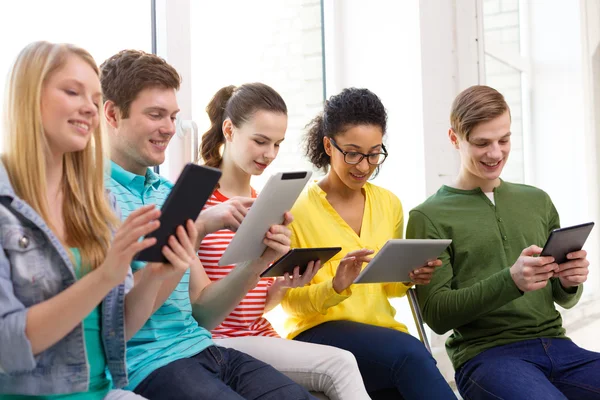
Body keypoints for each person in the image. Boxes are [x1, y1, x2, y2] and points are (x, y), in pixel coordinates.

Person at [100, 50, 316, 400]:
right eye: (156, 115)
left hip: (203, 348)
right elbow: (111, 325)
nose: (170, 128)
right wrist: (196, 230)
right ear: (111, 114)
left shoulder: (173, 194)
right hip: (146, 363)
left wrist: (258, 261)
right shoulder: (92, 198)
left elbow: (202, 315)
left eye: (173, 116)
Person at [0, 41, 196, 399]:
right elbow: (8, 345)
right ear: (29, 97)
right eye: (72, 91)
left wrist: (157, 273)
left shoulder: (96, 202)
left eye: (93, 98)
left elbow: (118, 329)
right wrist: (105, 275)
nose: (89, 108)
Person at [406, 85, 600, 400]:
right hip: (488, 357)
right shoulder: (428, 216)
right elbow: (438, 316)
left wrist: (568, 282)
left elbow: (565, 300)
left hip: (561, 349)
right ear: (455, 138)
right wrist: (511, 280)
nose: (496, 153)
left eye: (504, 140)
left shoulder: (537, 201)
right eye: (482, 143)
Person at [196, 82, 370, 400]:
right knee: (341, 364)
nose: (270, 155)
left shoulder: (266, 202)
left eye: (277, 144)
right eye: (260, 141)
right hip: (216, 340)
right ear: (229, 130)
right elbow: (199, 312)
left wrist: (284, 285)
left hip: (258, 334)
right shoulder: (200, 202)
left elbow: (255, 307)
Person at [282, 87, 456, 399]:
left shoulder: (389, 204)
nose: (364, 166)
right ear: (328, 145)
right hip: (317, 335)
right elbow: (288, 300)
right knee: (412, 355)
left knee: (407, 371)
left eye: (374, 153)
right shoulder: (296, 209)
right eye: (352, 153)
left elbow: (390, 288)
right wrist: (334, 287)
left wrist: (409, 276)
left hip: (383, 339)